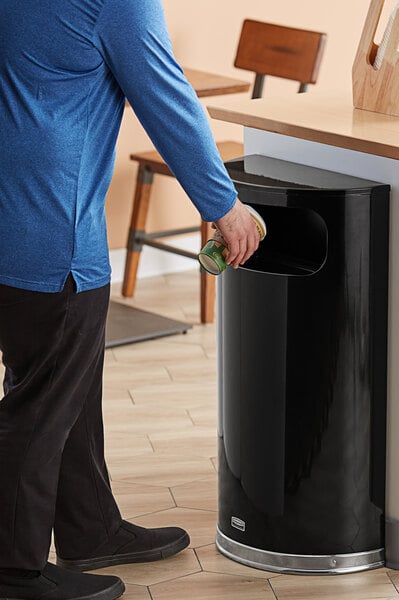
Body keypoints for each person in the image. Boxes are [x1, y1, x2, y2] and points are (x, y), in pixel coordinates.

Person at [0, 0, 260, 598]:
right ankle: (13, 570)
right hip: (52, 231)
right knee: (39, 404)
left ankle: (91, 529)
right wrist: (224, 204)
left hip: (15, 221)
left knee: (64, 380)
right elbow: (165, 97)